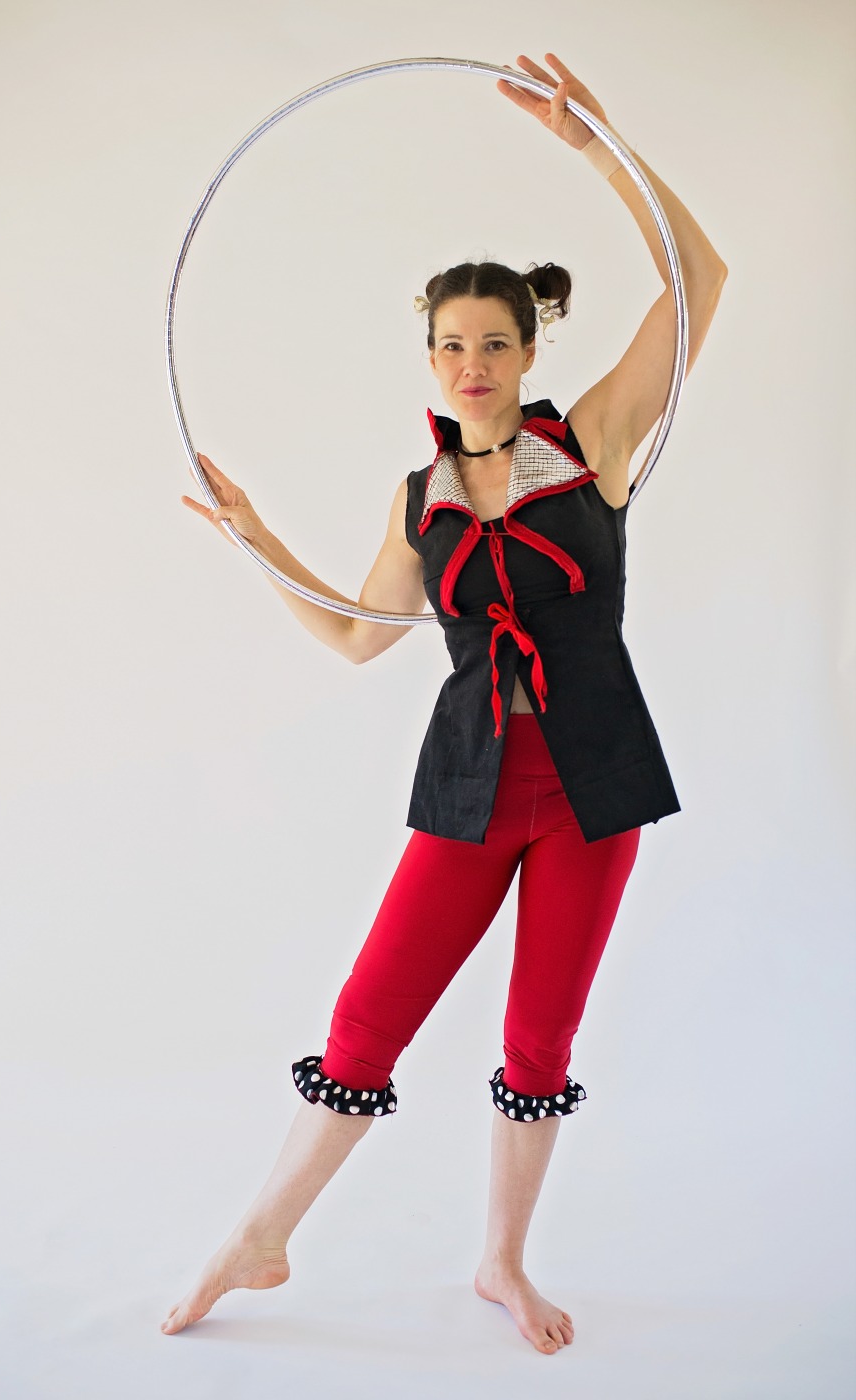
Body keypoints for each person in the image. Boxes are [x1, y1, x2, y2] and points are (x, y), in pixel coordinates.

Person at [161, 51, 727, 1355]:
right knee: (367, 1021)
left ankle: (502, 1263)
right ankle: (261, 1237)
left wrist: (600, 147)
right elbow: (357, 638)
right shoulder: (418, 501)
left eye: (496, 343)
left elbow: (700, 283)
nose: (473, 363)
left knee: (540, 1042)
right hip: (470, 789)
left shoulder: (589, 445)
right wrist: (256, 538)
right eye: (452, 344)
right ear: (428, 355)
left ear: (529, 350)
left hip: (594, 788)